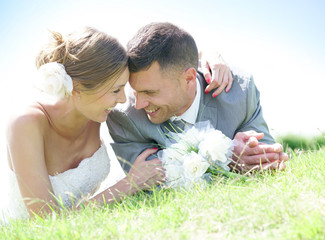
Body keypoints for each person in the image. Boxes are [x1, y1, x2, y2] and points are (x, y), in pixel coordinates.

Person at [1, 26, 232, 222]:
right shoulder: (26, 124)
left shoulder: (98, 112)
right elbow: (45, 222)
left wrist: (212, 56)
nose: (124, 99)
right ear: (77, 88)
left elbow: (166, 51)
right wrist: (128, 185)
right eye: (115, 90)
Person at [107, 22, 288, 174]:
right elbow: (150, 187)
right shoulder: (125, 117)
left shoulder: (240, 92)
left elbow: (268, 163)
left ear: (189, 78)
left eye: (150, 92)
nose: (139, 104)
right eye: (136, 91)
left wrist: (254, 153)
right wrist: (226, 158)